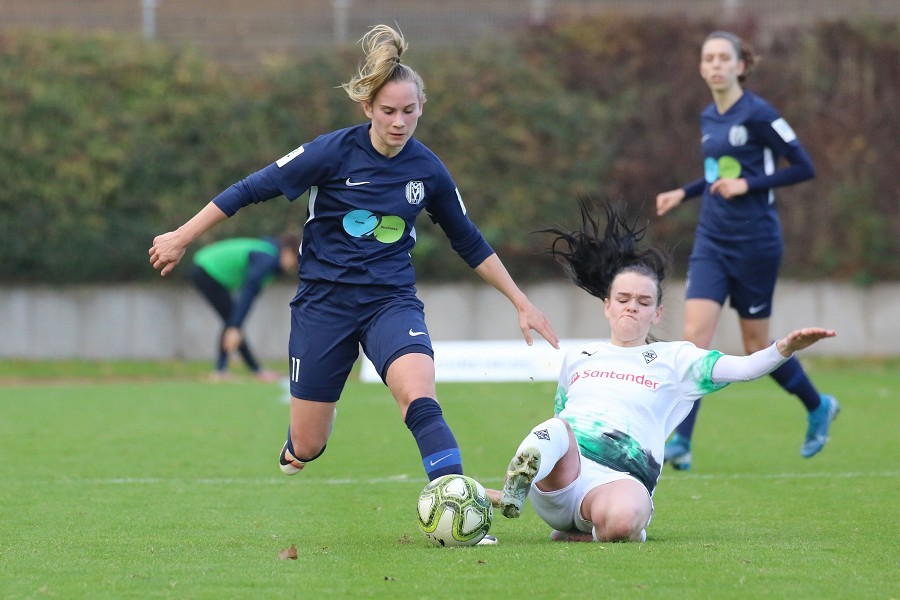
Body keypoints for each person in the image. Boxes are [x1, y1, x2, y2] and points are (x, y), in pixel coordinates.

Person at [149, 25, 558, 488]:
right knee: (308, 446)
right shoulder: (331, 152)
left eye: (409, 110)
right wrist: (182, 236)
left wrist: (522, 303)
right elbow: (250, 189)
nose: (399, 122)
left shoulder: (428, 169)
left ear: (422, 107)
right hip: (324, 304)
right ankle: (303, 438)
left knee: (419, 394)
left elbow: (469, 241)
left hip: (391, 301)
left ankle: (456, 499)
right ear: (368, 108)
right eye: (388, 111)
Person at [492, 201, 835, 543]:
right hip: (562, 479)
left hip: (618, 481)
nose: (632, 307)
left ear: (656, 314)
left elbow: (745, 368)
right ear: (607, 306)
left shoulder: (677, 359)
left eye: (643, 302)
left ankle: (583, 531)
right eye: (623, 299)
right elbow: (562, 412)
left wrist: (785, 348)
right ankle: (515, 489)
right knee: (556, 427)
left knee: (624, 522)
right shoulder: (580, 355)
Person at [655, 31, 838, 470]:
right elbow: (719, 174)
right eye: (708, 59)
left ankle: (817, 405)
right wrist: (685, 191)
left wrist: (748, 185)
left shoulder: (760, 114)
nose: (715, 65)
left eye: (724, 58)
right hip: (712, 241)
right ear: (701, 68)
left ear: (740, 65)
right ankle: (681, 440)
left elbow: (804, 168)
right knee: (694, 339)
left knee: (756, 343)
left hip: (756, 243)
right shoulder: (707, 117)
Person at [189, 234, 300, 381]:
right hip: (206, 269)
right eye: (296, 257)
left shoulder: (269, 258)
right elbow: (248, 292)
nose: (296, 264)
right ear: (286, 251)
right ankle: (228, 370)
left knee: (232, 320)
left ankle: (232, 369)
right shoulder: (268, 259)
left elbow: (251, 295)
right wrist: (235, 326)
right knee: (232, 321)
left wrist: (235, 325)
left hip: (205, 267)